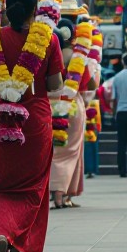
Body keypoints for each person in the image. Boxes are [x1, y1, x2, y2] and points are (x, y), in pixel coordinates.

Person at [0, 0, 63, 252]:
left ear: (4, 8)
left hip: (0, 118)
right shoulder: (48, 40)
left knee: (1, 182)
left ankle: (1, 233)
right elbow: (54, 85)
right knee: (32, 186)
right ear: (36, 10)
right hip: (34, 120)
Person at [49, 20, 89, 208]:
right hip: (71, 104)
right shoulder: (77, 56)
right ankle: (63, 194)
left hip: (47, 105)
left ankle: (54, 191)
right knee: (71, 152)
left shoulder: (44, 53)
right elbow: (90, 85)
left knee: (52, 152)